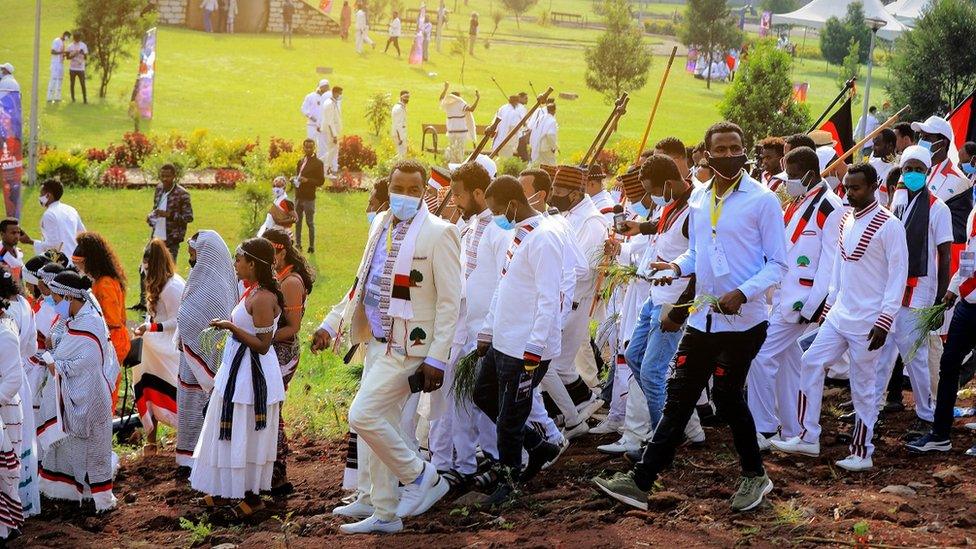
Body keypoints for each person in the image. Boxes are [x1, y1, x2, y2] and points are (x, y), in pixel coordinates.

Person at [593, 121, 788, 512]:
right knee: (679, 398)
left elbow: (778, 263)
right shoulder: (699, 200)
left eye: (736, 147)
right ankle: (641, 480)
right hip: (702, 318)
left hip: (744, 320)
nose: (730, 155)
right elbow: (698, 253)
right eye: (722, 149)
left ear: (743, 150)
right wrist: (676, 267)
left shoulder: (762, 200)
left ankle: (755, 475)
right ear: (708, 154)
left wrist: (743, 292)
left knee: (729, 398)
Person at [311, 160, 461, 534]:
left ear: (425, 191)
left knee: (362, 416)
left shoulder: (440, 234)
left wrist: (437, 359)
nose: (405, 196)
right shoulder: (380, 224)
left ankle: (422, 475)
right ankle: (384, 510)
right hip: (376, 341)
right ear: (389, 187)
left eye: (414, 190)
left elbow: (450, 303)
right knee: (380, 422)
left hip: (410, 348)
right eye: (399, 188)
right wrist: (333, 323)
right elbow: (363, 282)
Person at [773, 163, 908, 471]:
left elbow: (897, 277)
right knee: (811, 362)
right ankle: (808, 436)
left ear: (874, 186)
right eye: (847, 187)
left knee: (863, 387)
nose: (850, 193)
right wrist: (829, 304)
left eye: (856, 188)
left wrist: (885, 320)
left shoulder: (889, 226)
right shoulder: (846, 218)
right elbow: (838, 267)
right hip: (840, 314)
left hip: (870, 322)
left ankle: (862, 452)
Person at [470, 175, 564, 505]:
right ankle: (539, 447)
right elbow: (504, 285)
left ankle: (509, 485)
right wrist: (487, 330)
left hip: (525, 348)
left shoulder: (544, 239)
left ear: (512, 204)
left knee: (509, 421)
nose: (496, 217)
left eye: (497, 210)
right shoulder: (519, 236)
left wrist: (535, 348)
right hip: (504, 342)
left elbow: (548, 297)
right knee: (483, 396)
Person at [746, 146, 844, 450]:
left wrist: (816, 304)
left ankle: (764, 428)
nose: (787, 181)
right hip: (786, 295)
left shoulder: (830, 206)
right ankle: (793, 429)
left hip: (802, 301)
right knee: (790, 364)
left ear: (810, 174)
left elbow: (830, 260)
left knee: (760, 356)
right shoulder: (803, 202)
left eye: (791, 175)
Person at [427, 161, 509, 492]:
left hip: (484, 332)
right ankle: (453, 464)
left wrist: (488, 330)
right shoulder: (471, 225)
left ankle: (482, 462)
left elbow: (504, 281)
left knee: (475, 400)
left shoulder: (498, 230)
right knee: (453, 400)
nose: (454, 202)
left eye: (458, 195)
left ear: (478, 193)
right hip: (461, 327)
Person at [190, 238, 286, 518]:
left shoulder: (265, 298)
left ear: (253, 264)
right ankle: (225, 490)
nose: (235, 264)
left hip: (252, 376)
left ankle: (252, 497)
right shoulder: (251, 291)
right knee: (229, 432)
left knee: (246, 434)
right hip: (237, 371)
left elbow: (263, 344)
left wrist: (230, 326)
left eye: (239, 259)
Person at [872, 146, 952, 441]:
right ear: (902, 171)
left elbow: (945, 256)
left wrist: (939, 302)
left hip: (920, 288)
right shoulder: (898, 200)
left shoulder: (938, 208)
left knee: (914, 355)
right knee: (882, 352)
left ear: (928, 171)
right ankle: (873, 408)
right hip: (894, 285)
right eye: (909, 168)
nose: (914, 173)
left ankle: (925, 415)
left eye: (920, 168)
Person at [39, 270, 118, 512]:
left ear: (70, 298)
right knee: (78, 450)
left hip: (92, 397)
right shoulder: (78, 320)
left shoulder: (90, 322)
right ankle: (81, 498)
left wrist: (55, 364)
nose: (53, 303)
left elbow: (87, 361)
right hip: (79, 394)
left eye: (56, 298)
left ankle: (103, 502)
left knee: (96, 451)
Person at [908, 190, 976, 454]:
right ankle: (940, 434)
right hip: (968, 301)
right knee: (949, 365)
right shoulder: (973, 213)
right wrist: (954, 287)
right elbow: (969, 256)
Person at [544, 165, 608, 434]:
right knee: (558, 365)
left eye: (558, 190)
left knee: (553, 364)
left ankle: (580, 408)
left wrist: (548, 265)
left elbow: (584, 268)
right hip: (562, 299)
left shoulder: (592, 222)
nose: (553, 194)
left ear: (574, 194)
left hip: (575, 302)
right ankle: (580, 404)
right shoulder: (568, 215)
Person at [175, 231, 238, 475]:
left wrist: (185, 321)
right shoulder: (198, 276)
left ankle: (202, 462)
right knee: (188, 405)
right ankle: (186, 457)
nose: (190, 258)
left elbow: (204, 318)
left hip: (207, 358)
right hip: (189, 357)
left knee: (204, 407)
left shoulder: (218, 284)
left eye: (193, 253)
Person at [263, 228, 313, 495]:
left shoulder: (291, 282)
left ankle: (278, 473)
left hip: (283, 352)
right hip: (273, 349)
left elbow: (293, 326)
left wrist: (261, 338)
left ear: (280, 250)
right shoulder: (279, 276)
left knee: (273, 410)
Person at [132, 240, 185, 456]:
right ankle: (151, 441)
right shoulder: (159, 283)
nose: (145, 272)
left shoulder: (173, 287)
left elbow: (179, 320)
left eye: (148, 267)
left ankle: (185, 435)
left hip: (170, 348)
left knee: (172, 389)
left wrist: (153, 327)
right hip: (154, 346)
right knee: (145, 385)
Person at [72, 232, 130, 413]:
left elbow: (111, 320)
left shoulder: (105, 284)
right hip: (109, 340)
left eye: (80, 265)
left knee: (104, 395)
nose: (80, 269)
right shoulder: (104, 280)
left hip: (111, 342)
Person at [0, 268, 40, 521]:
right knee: (23, 440)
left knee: (10, 446)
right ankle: (23, 503)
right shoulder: (24, 303)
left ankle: (12, 508)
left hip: (8, 386)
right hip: (21, 380)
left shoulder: (5, 319)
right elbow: (33, 346)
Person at [0, 291, 26, 538]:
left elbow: (13, 380)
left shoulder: (5, 335)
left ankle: (5, 530)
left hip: (5, 412)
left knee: (5, 472)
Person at [19, 179, 86, 260]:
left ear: (48, 195)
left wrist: (30, 241)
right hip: (76, 261)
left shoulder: (49, 214)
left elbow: (53, 246)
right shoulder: (71, 210)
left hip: (61, 264)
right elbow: (83, 236)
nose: (39, 197)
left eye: (41, 194)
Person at [147, 164, 194, 260]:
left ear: (174, 176)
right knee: (146, 268)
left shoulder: (182, 194)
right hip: (156, 237)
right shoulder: (159, 189)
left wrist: (170, 215)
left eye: (167, 176)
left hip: (171, 239)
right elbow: (155, 208)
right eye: (162, 176)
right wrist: (151, 217)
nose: (164, 179)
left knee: (169, 271)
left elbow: (188, 217)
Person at [294, 139, 326, 253]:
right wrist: (294, 180)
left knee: (310, 222)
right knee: (297, 221)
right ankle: (298, 244)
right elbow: (298, 175)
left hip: (309, 197)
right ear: (303, 147)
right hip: (299, 195)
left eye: (310, 147)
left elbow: (321, 181)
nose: (308, 149)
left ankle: (311, 246)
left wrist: (307, 180)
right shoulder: (300, 161)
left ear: (314, 148)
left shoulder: (318, 164)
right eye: (306, 147)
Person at [439, 83, 479, 164]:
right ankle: (457, 167)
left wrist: (445, 88)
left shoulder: (447, 104)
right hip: (461, 133)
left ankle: (452, 166)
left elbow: (441, 99)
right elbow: (471, 109)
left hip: (451, 132)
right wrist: (477, 99)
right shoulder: (460, 103)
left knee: (452, 152)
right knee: (459, 153)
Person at [320, 86, 343, 176]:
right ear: (335, 92)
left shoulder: (333, 103)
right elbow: (330, 122)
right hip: (331, 132)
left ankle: (324, 167)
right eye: (339, 93)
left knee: (332, 151)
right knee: (331, 151)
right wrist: (334, 135)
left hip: (333, 131)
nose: (340, 96)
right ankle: (324, 169)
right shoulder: (329, 104)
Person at [870, 128, 897, 205]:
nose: (873, 148)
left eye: (877, 145)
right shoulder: (872, 160)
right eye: (873, 144)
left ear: (890, 146)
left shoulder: (895, 169)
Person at [529, 101, 558, 166]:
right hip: (546, 147)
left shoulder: (541, 118)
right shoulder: (552, 120)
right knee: (551, 165)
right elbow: (550, 134)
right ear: (554, 111)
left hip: (537, 145)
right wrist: (553, 147)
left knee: (536, 164)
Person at [66, 33, 89, 104]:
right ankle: (73, 98)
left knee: (83, 84)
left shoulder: (83, 45)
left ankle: (85, 100)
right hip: (72, 68)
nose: (77, 40)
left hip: (81, 68)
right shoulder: (70, 46)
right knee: (72, 84)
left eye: (78, 39)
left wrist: (82, 53)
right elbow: (67, 57)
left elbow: (86, 57)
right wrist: (74, 53)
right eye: (76, 39)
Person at [47, 31, 69, 103]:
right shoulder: (56, 40)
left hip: (61, 63)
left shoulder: (63, 43)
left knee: (60, 80)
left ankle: (57, 97)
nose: (67, 38)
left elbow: (61, 53)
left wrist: (65, 54)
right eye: (67, 36)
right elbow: (53, 52)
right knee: (53, 79)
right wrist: (63, 52)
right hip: (55, 64)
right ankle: (49, 97)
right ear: (64, 35)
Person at [391, 90, 409, 158]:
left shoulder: (400, 106)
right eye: (405, 97)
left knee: (401, 154)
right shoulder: (399, 109)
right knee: (401, 155)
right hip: (399, 135)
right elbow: (398, 124)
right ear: (401, 97)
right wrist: (400, 138)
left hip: (400, 134)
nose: (407, 99)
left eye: (408, 97)